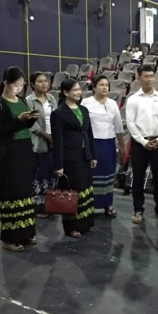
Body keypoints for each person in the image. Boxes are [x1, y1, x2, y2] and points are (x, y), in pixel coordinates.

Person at [0, 66, 39, 252]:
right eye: (16, 85)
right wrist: (19, 120)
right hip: (10, 153)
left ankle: (26, 232)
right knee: (12, 192)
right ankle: (10, 237)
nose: (19, 89)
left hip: (25, 149)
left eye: (22, 86)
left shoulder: (21, 100)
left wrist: (31, 118)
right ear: (6, 83)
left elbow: (26, 126)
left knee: (25, 192)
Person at [125, 64, 158, 224]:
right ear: (139, 78)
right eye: (146, 76)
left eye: (152, 76)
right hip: (140, 144)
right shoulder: (133, 99)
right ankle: (138, 210)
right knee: (138, 178)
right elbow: (131, 123)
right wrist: (143, 141)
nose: (149, 79)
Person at [51, 79, 97, 238]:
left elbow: (89, 133)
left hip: (84, 156)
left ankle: (86, 222)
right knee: (72, 192)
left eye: (79, 89)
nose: (79, 92)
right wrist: (58, 165)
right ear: (65, 93)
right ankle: (72, 226)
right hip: (69, 158)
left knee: (85, 189)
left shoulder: (83, 110)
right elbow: (57, 141)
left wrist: (93, 155)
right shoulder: (58, 113)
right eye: (75, 90)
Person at [81, 75, 126, 217]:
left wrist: (122, 145)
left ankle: (108, 204)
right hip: (92, 143)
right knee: (92, 175)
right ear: (94, 87)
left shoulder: (112, 103)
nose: (105, 87)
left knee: (108, 175)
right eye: (101, 85)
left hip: (108, 144)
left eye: (106, 85)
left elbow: (118, 126)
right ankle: (90, 204)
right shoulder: (86, 103)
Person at [26, 72, 58, 218]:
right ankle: (38, 207)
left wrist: (55, 136)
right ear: (33, 84)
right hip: (39, 142)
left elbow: (57, 117)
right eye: (40, 81)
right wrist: (47, 136)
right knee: (40, 175)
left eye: (46, 81)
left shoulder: (51, 98)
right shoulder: (29, 101)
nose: (44, 84)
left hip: (53, 142)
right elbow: (31, 124)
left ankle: (51, 204)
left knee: (51, 174)